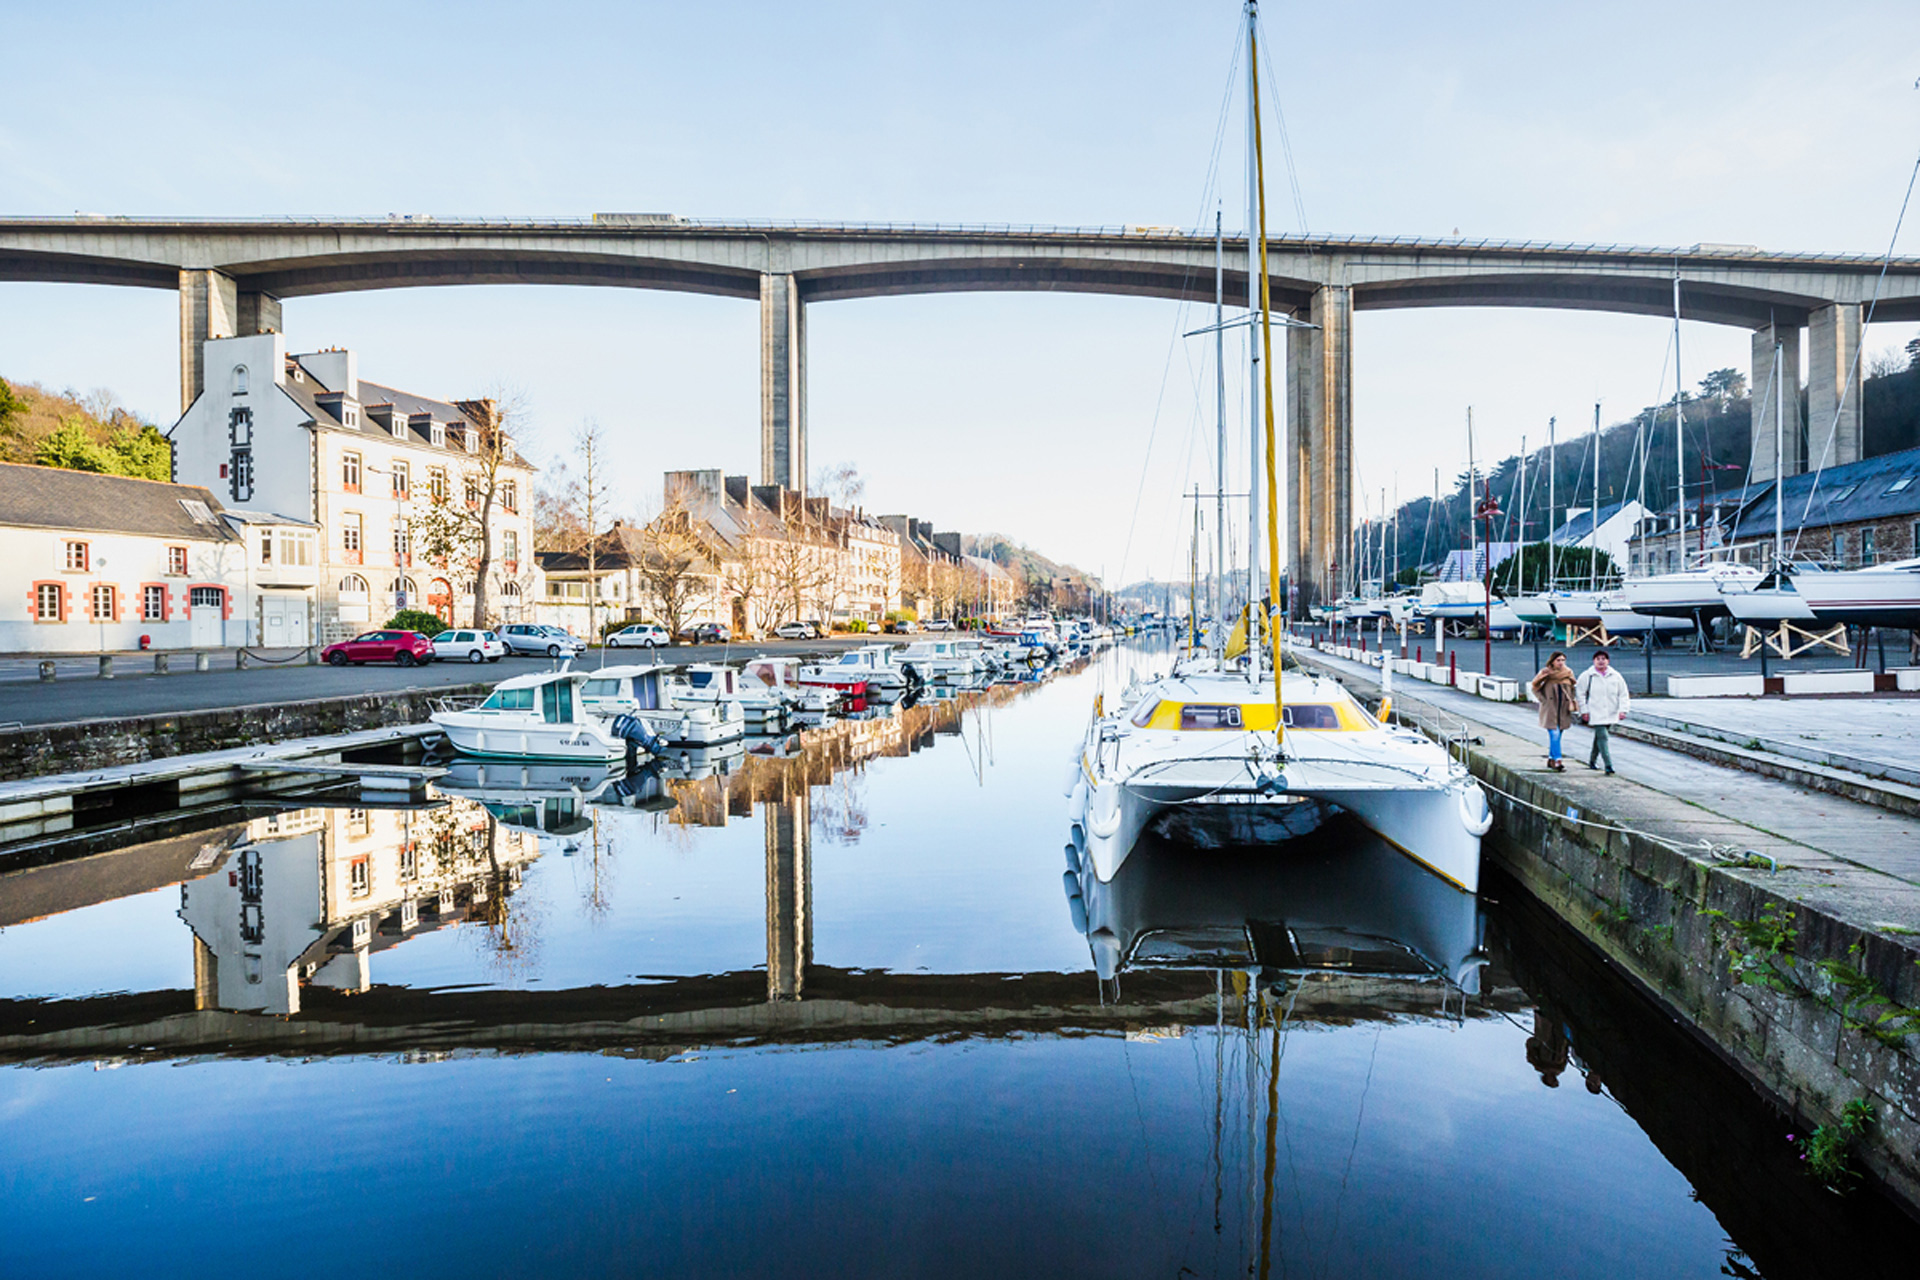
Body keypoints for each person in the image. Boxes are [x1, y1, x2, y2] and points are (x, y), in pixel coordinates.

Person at [1577, 648, 1632, 774]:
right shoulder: (1587, 676)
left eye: (1603, 659)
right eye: (1598, 659)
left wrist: (1623, 709)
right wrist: (1584, 711)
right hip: (1595, 711)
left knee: (1599, 737)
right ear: (1593, 661)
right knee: (1603, 737)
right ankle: (1608, 764)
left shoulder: (1616, 676)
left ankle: (1592, 760)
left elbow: (1623, 693)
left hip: (1610, 711)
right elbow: (1580, 694)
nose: (1601, 662)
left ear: (1608, 661)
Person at [1530, 650, 1579, 772]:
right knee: (1554, 734)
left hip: (1563, 708)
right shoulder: (1545, 673)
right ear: (1552, 661)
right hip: (1550, 709)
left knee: (1558, 735)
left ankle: (1551, 759)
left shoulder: (1568, 673)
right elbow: (1535, 687)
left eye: (1563, 660)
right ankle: (1558, 760)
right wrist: (1544, 700)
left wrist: (1572, 700)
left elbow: (1572, 688)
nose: (1561, 663)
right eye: (1558, 660)